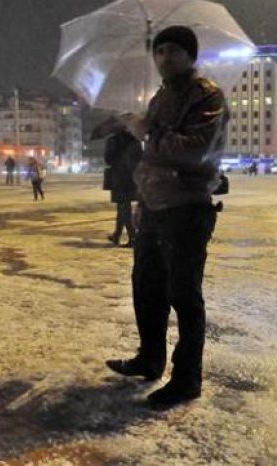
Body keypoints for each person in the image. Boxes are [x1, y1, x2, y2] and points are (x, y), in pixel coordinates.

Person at [106, 25, 229, 407]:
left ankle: (187, 378)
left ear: (191, 56)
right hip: (156, 206)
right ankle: (150, 357)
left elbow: (196, 150)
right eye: (159, 52)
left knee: (183, 295)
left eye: (174, 51)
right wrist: (143, 200)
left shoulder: (207, 96)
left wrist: (147, 131)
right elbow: (153, 155)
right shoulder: (161, 96)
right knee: (146, 287)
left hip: (187, 206)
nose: (165, 58)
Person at [104, 130, 143, 247]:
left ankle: (133, 237)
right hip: (131, 177)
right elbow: (140, 158)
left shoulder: (113, 140)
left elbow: (108, 159)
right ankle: (117, 234)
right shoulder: (135, 141)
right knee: (123, 206)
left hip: (118, 178)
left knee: (123, 207)